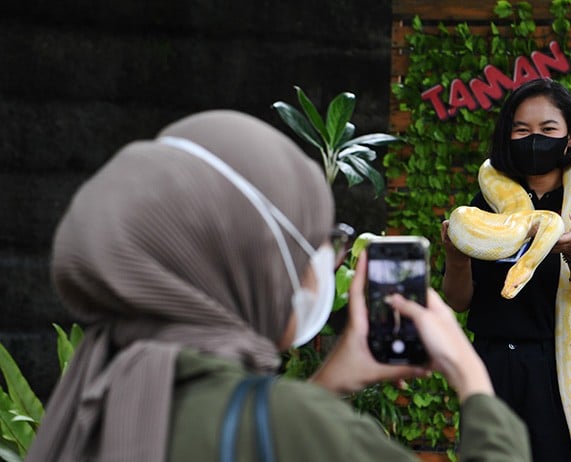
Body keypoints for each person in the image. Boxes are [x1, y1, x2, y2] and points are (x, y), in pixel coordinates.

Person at [26, 110, 530, 461]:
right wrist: (471, 377)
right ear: (248, 264)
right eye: (313, 245)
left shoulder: (90, 402)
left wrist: (325, 386)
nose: (324, 269)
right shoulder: (301, 430)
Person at [441, 78, 571, 461]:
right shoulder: (486, 207)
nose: (533, 139)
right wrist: (457, 255)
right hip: (494, 367)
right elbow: (459, 301)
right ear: (506, 136)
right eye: (521, 129)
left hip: (560, 370)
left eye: (547, 129)